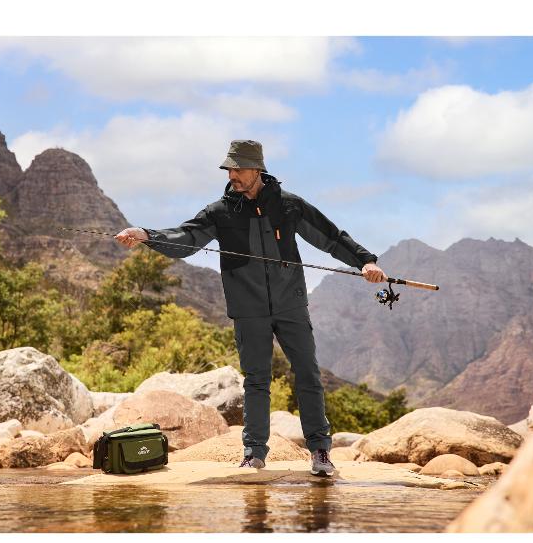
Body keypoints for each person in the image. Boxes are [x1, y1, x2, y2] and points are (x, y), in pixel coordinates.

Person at [115, 139, 386, 477]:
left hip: (290, 305)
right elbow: (186, 239)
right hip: (248, 309)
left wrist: (365, 261)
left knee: (308, 374)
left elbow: (330, 237)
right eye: (229, 169)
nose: (233, 175)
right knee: (256, 380)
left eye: (239, 169)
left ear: (257, 169)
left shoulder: (289, 205)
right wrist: (145, 234)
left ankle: (320, 451)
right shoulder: (220, 212)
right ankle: (254, 454)